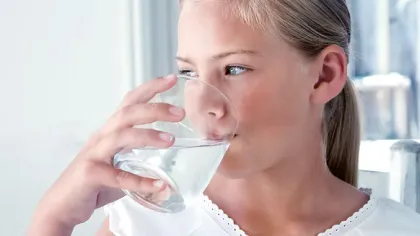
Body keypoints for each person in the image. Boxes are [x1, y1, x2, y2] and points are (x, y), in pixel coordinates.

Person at [27, 0, 420, 235]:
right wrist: (53, 220)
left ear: (324, 76)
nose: (203, 104)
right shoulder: (143, 226)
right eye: (190, 73)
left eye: (234, 69)